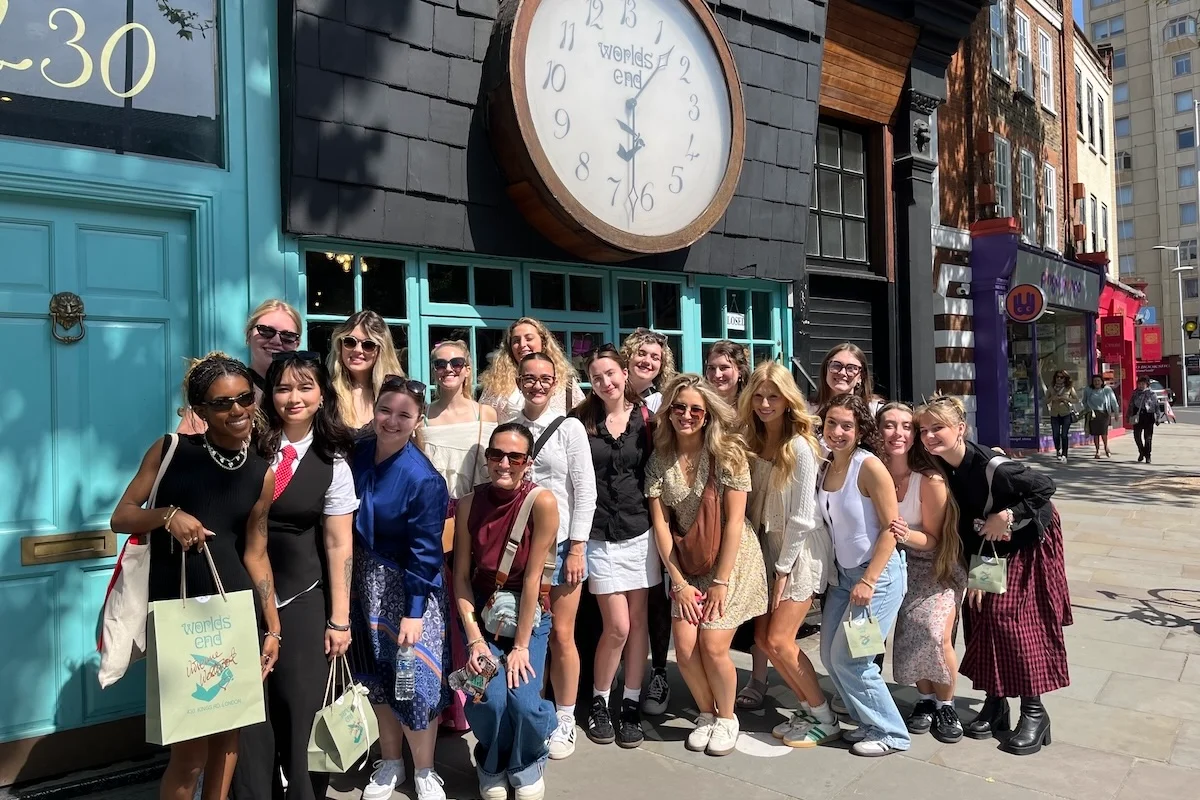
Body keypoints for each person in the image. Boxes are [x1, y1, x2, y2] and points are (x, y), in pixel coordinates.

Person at [111, 353, 278, 800]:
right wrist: (168, 516)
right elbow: (121, 517)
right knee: (189, 754)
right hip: (182, 616)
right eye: (222, 403)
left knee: (229, 743)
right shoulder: (170, 451)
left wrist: (273, 627)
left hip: (236, 613)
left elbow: (256, 554)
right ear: (201, 411)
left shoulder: (262, 473)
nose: (238, 409)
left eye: (245, 397)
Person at [233, 352, 358, 800]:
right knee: (250, 720)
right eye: (284, 387)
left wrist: (339, 620)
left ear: (322, 394)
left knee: (304, 713)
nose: (294, 397)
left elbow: (339, 543)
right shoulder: (247, 449)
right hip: (243, 600)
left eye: (305, 387)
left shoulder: (334, 463)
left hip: (304, 601)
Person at [916, 395, 1071, 756]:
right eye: (924, 430)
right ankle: (996, 703)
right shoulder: (942, 465)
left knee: (1011, 621)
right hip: (986, 550)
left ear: (960, 429)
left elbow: (1044, 487)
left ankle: (1034, 711)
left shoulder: (992, 464)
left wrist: (1009, 515)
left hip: (1025, 544)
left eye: (937, 428)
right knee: (982, 617)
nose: (929, 436)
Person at [647, 374, 768, 757]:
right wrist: (678, 582)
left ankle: (728, 717)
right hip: (687, 563)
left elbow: (735, 522)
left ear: (707, 414)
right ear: (668, 411)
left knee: (713, 645)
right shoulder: (659, 458)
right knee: (683, 649)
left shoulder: (727, 453)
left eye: (695, 409)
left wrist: (720, 580)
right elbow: (661, 524)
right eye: (679, 407)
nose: (686, 415)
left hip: (732, 560)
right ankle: (706, 713)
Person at [347, 376, 451, 800]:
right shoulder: (355, 454)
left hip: (409, 591)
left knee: (412, 680)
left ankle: (425, 769)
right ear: (375, 411)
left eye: (403, 414)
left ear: (417, 420)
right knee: (377, 680)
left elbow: (426, 553)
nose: (392, 420)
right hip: (363, 586)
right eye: (385, 410)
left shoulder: (423, 479)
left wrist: (413, 611)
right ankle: (390, 762)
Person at [452, 423, 560, 800]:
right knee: (488, 698)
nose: (504, 463)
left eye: (515, 457)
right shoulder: (469, 504)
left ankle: (527, 759)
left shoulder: (541, 502)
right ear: (486, 458)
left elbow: (533, 581)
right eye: (497, 454)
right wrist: (475, 639)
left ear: (527, 463)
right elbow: (461, 577)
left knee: (526, 702)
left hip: (529, 617)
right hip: (484, 615)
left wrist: (521, 647)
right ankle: (492, 761)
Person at [736, 363, 839, 748]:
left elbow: (801, 517)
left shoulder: (800, 445)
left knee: (779, 639)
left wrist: (782, 570)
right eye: (759, 396)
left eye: (773, 396)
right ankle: (807, 708)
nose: (765, 403)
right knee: (763, 640)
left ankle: (824, 715)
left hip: (799, 554)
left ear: (787, 399)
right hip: (767, 550)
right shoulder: (751, 439)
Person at [572, 346, 660, 749]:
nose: (605, 382)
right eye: (597, 376)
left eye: (610, 373)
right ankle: (599, 701)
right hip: (599, 534)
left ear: (624, 373)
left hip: (640, 532)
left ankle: (630, 704)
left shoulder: (648, 419)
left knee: (638, 622)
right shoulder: (580, 421)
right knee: (618, 626)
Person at [511, 353, 596, 759]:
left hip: (561, 546)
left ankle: (565, 716)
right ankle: (533, 711)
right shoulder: (510, 425)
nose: (538, 385)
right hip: (521, 546)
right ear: (518, 379)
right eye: (530, 377)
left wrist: (578, 546)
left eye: (546, 378)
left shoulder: (570, 427)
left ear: (556, 381)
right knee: (525, 634)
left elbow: (585, 491)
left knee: (562, 634)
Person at [817, 393, 908, 757]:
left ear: (859, 431)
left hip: (878, 579)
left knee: (853, 660)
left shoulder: (868, 466)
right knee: (828, 654)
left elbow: (892, 528)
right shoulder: (827, 464)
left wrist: (869, 580)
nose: (837, 432)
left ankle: (891, 733)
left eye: (846, 426)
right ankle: (868, 722)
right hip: (843, 579)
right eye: (831, 424)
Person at [877, 403, 966, 745]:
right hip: (894, 564)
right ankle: (926, 700)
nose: (898, 433)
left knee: (934, 632)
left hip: (939, 565)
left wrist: (900, 532)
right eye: (889, 425)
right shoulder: (873, 469)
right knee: (909, 634)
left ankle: (946, 704)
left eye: (905, 426)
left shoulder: (929, 479)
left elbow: (936, 538)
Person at [423, 339, 498, 731]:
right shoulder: (424, 419)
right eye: (440, 363)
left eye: (456, 362)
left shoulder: (486, 414)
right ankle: (450, 705)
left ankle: (479, 699)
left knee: (473, 605)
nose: (448, 368)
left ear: (468, 368)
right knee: (444, 609)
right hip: (437, 521)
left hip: (476, 514)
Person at [619, 328, 676, 716]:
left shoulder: (663, 401)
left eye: (655, 356)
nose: (647, 361)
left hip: (655, 507)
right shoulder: (607, 393)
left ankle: (657, 672)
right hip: (615, 513)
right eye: (642, 353)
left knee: (655, 596)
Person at [179, 299, 302, 434]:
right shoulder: (221, 386)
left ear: (297, 343)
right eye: (266, 331)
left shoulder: (309, 394)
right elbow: (184, 449)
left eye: (288, 335)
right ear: (248, 335)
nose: (276, 341)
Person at [479, 317, 585, 422]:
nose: (522, 345)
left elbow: (582, 417)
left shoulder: (566, 383)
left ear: (543, 342)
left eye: (529, 338)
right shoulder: (496, 384)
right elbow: (485, 423)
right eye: (516, 340)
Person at [328, 310, 406, 435]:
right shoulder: (326, 393)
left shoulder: (400, 394)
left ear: (381, 350)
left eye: (368, 345)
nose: (357, 350)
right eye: (350, 342)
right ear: (340, 345)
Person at [814, 344, 884, 414]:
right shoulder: (808, 411)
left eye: (851, 368)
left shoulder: (876, 411)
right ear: (826, 370)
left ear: (861, 376)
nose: (842, 373)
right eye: (836, 365)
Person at [622, 327, 677, 414]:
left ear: (661, 367)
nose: (647, 361)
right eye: (641, 354)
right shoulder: (611, 393)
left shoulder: (661, 405)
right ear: (627, 357)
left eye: (655, 358)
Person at [1081, 374, 1119, 459]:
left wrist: (1116, 412)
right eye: (1095, 381)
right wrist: (1087, 409)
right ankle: (1097, 450)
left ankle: (1106, 447)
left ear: (1102, 382)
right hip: (1093, 414)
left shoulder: (1107, 390)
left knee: (1103, 432)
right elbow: (1084, 401)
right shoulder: (1088, 390)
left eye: (1098, 381)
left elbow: (1113, 401)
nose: (1097, 383)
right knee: (1095, 433)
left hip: (1104, 413)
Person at [704, 340, 750, 408]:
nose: (717, 375)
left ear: (740, 370)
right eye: (711, 368)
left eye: (724, 368)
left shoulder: (752, 406)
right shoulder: (700, 406)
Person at [1046, 371, 1078, 463]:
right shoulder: (1051, 388)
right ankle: (1058, 450)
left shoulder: (1069, 388)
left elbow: (1076, 400)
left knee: (1064, 435)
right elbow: (1045, 401)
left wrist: (1065, 399)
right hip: (1054, 414)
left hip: (1065, 414)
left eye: (1061, 377)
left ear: (1065, 378)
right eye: (1057, 377)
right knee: (1056, 434)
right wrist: (1052, 398)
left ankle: (1065, 454)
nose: (1059, 379)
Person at [1128, 376, 1159, 463]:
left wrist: (1158, 417)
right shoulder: (1135, 393)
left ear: (1147, 384)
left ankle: (1148, 455)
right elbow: (1131, 405)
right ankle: (1141, 451)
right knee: (1137, 436)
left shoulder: (1152, 393)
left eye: (1143, 384)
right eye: (1139, 384)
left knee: (1148, 437)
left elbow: (1156, 405)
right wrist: (1128, 416)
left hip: (1148, 416)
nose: (1141, 386)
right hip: (1137, 416)